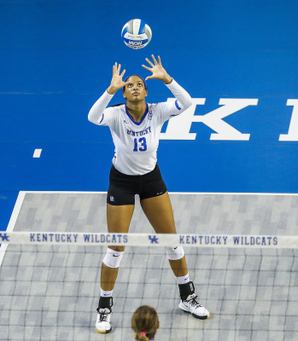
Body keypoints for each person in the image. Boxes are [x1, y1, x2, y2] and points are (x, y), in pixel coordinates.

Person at [88, 55, 210, 334]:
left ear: (146, 90)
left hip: (151, 180)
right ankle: (104, 308)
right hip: (121, 182)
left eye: (139, 84)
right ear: (123, 92)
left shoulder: (158, 110)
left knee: (172, 241)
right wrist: (109, 90)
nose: (134, 87)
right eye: (129, 85)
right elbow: (93, 117)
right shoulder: (116, 113)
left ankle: (187, 298)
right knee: (116, 248)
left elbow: (187, 102)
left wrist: (167, 78)